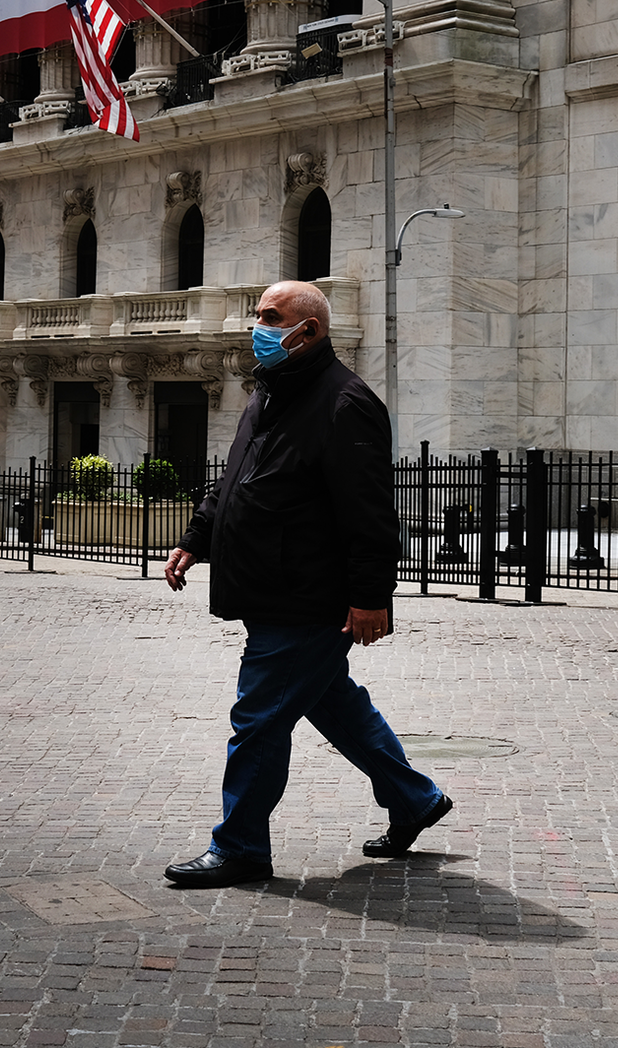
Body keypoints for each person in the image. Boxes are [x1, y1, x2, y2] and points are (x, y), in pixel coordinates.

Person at [162, 280, 451, 888]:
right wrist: (196, 538)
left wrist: (372, 596)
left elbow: (370, 513)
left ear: (309, 330)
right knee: (330, 700)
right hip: (272, 589)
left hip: (306, 597)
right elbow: (235, 478)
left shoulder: (346, 402)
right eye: (258, 315)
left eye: (270, 316)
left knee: (259, 719)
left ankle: (239, 846)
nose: (257, 325)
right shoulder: (268, 394)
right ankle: (415, 799)